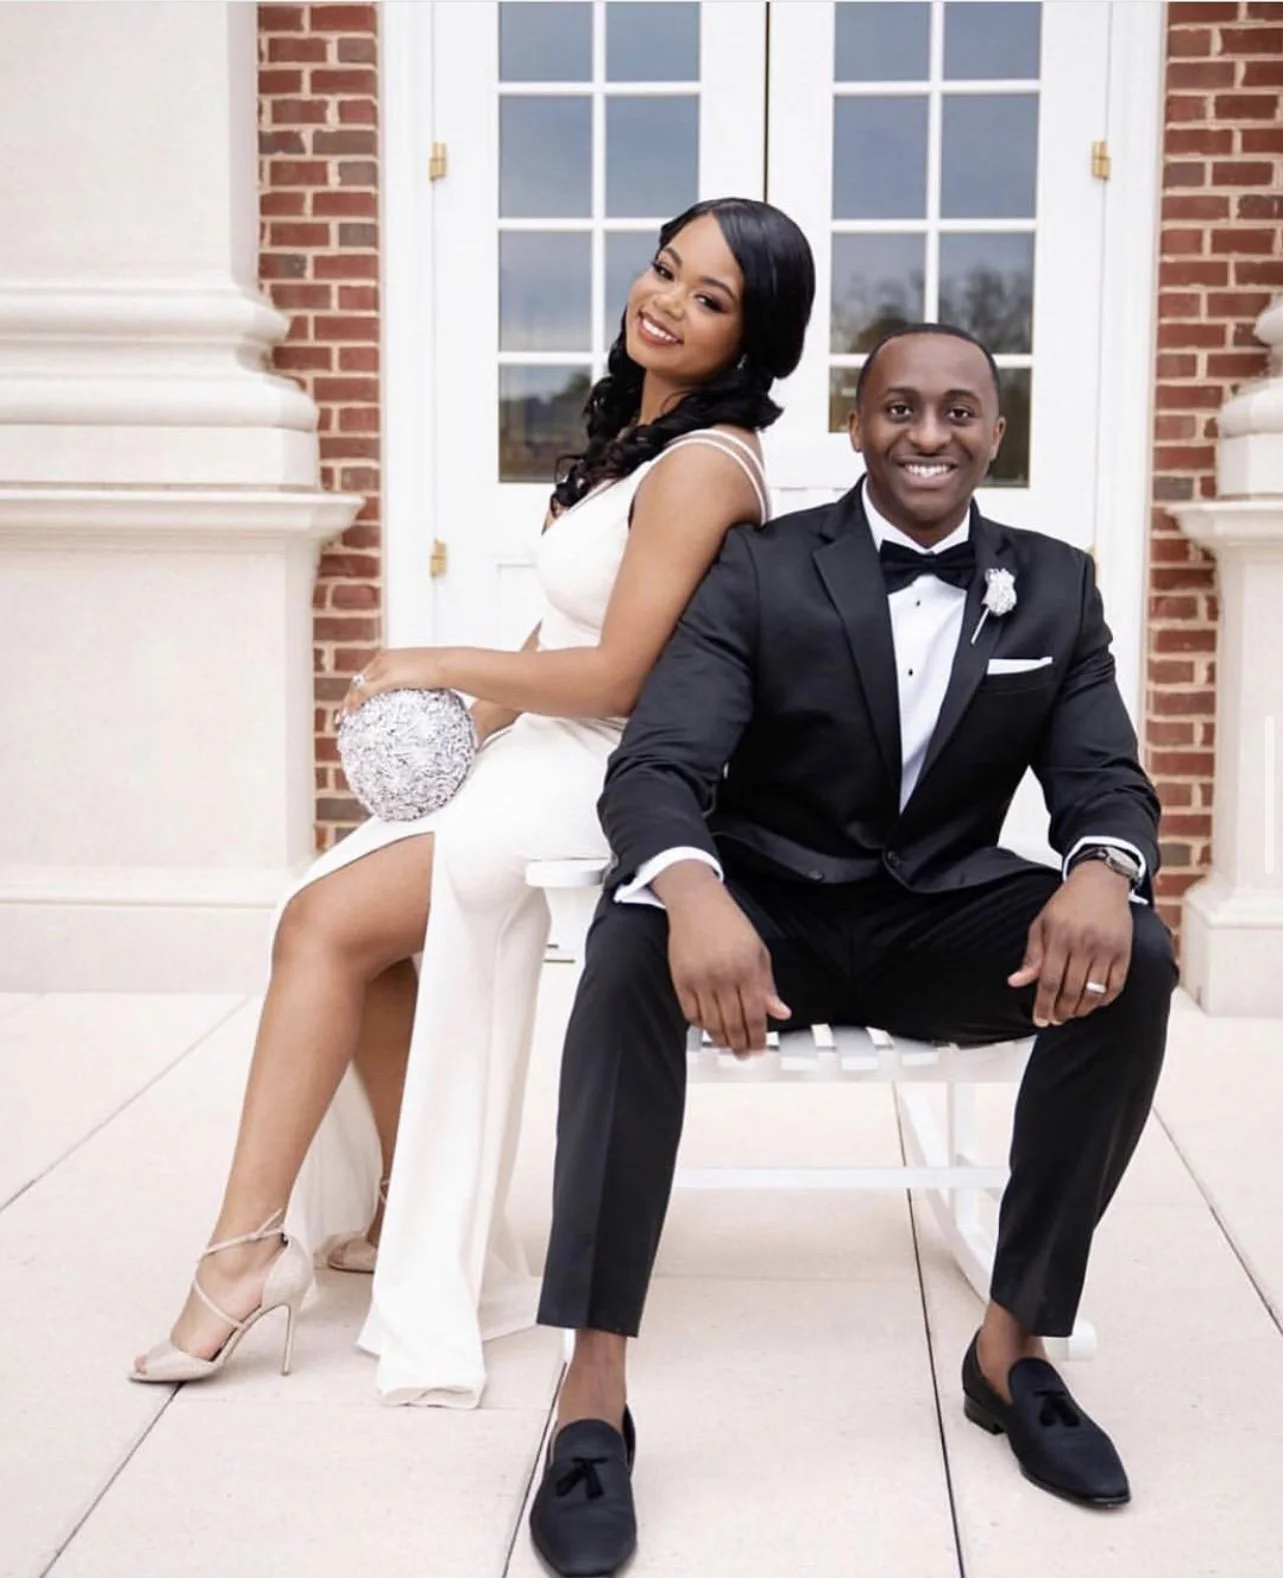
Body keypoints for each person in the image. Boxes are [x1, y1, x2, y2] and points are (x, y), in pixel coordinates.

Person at [130, 197, 816, 1405]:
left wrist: (438, 663)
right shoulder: (640, 436)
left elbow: (620, 675)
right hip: (543, 745)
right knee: (343, 923)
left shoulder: (708, 468)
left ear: (749, 342)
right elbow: (563, 631)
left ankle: (241, 1259)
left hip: (609, 771)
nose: (664, 300)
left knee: (323, 925)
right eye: (664, 270)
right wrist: (449, 731)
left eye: (708, 299)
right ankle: (406, 1210)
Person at [528, 322, 1175, 1576]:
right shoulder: (761, 568)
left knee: (1134, 956)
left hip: (935, 913)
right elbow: (659, 762)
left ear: (994, 430)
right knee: (624, 952)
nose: (927, 435)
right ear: (855, 421)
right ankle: (593, 1395)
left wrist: (1102, 868)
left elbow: (1104, 777)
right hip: (762, 909)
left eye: (957, 412)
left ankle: (1012, 1349)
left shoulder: (1050, 582)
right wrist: (694, 891)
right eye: (898, 409)